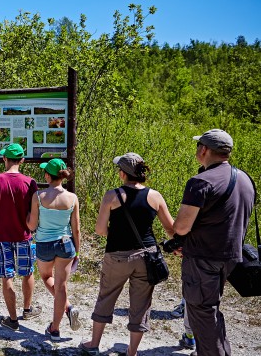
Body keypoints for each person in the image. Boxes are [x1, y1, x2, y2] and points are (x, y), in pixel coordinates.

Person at [80, 153, 174, 356]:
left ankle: (94, 343)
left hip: (117, 255)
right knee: (141, 304)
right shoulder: (155, 196)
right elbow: (170, 228)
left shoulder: (112, 196)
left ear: (123, 174)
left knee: (106, 296)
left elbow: (100, 230)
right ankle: (132, 352)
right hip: (146, 256)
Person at [173, 129, 254, 356]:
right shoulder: (245, 178)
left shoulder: (200, 181)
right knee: (211, 310)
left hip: (203, 258)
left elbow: (181, 227)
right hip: (231, 257)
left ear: (204, 150)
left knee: (201, 313)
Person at [0, 143, 42, 332]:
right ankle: (27, 309)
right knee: (27, 272)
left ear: (4, 159)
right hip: (23, 234)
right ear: (22, 160)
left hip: (1, 235)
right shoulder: (30, 182)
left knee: (7, 275)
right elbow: (34, 213)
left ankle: (13, 319)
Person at [26, 158, 81, 341]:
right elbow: (76, 229)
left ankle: (68, 307)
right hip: (66, 244)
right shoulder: (72, 198)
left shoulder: (39, 196)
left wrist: (25, 218)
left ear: (47, 176)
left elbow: (32, 226)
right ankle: (55, 329)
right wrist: (77, 253)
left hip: (44, 244)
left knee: (45, 277)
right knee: (61, 285)